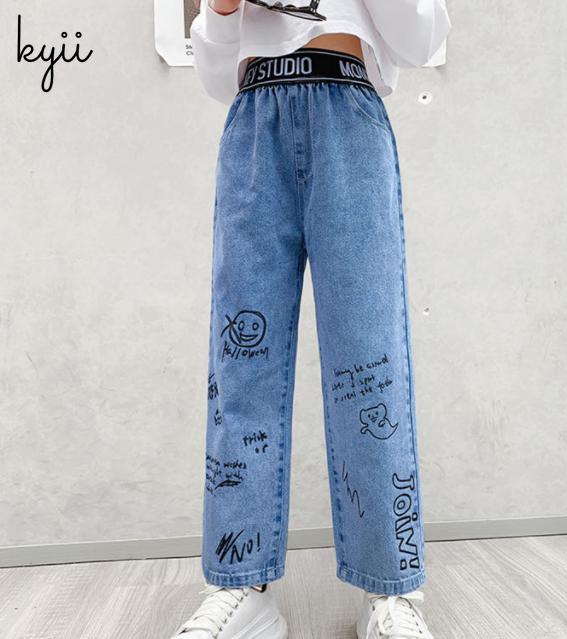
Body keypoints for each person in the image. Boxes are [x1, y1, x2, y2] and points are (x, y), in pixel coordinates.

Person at [169, 1, 451, 637]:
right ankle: (241, 584)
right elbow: (215, 77)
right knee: (241, 368)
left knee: (370, 364)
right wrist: (222, 10)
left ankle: (391, 590)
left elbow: (423, 37)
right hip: (253, 121)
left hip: (347, 109)